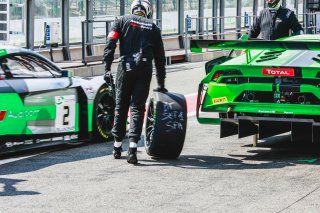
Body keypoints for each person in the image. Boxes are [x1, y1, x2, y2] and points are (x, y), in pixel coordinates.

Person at [103, 0, 167, 164]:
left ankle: (117, 147)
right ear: (148, 11)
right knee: (137, 108)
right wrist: (161, 83)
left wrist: (107, 68)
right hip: (144, 69)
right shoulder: (153, 28)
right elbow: (160, 58)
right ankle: (132, 149)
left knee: (121, 105)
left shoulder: (121, 20)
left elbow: (110, 43)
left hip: (125, 68)